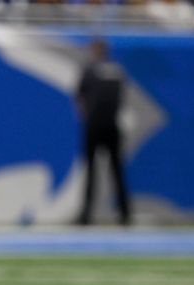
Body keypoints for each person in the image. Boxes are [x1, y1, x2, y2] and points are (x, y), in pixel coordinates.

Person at [75, 38, 131, 225]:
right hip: (109, 126)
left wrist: (88, 116)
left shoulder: (91, 71)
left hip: (97, 126)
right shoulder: (116, 71)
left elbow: (79, 99)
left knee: (102, 171)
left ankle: (92, 214)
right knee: (110, 171)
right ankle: (122, 214)